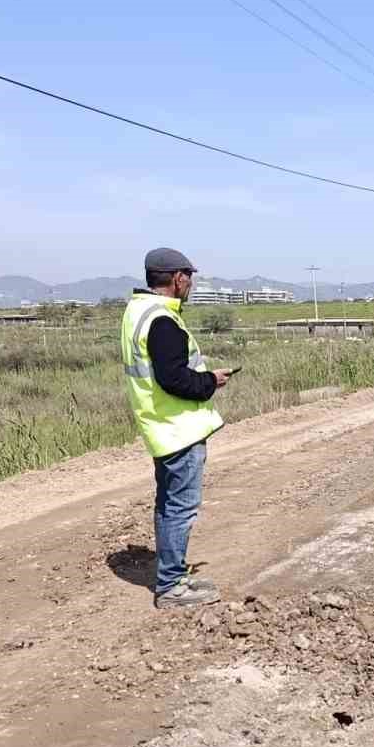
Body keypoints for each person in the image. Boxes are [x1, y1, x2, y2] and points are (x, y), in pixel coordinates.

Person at [120, 248, 233, 609]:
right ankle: (171, 587)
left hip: (161, 426)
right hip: (177, 428)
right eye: (190, 278)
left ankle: (173, 575)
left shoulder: (138, 311)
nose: (191, 285)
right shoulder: (162, 320)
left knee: (169, 504)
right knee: (180, 507)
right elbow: (173, 379)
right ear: (178, 278)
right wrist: (209, 381)